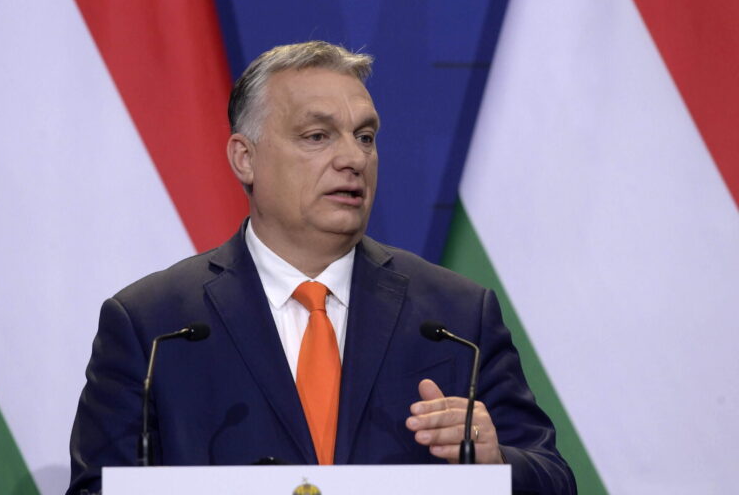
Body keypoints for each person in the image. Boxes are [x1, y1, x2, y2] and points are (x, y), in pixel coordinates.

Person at [67, 41, 576, 494]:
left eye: (365, 137)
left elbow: (554, 478)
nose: (353, 158)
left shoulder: (456, 317)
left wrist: (494, 462)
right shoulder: (154, 327)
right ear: (245, 158)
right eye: (317, 136)